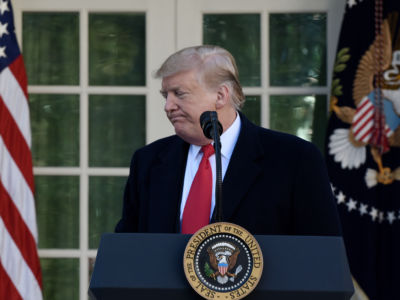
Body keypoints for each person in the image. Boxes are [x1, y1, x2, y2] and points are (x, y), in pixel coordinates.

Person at [115, 45, 341, 236]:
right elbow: (128, 251)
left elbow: (320, 255)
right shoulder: (147, 162)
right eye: (166, 96)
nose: (168, 106)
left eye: (179, 94)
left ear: (221, 96)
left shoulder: (294, 159)